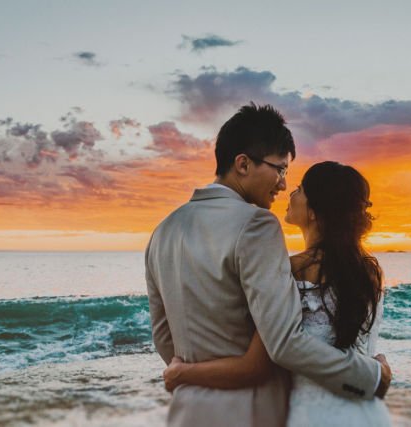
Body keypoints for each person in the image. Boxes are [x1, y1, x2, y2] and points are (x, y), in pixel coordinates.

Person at [145, 104, 391, 427]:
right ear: (243, 164)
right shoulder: (257, 225)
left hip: (187, 412)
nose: (283, 184)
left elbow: (164, 339)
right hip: (252, 413)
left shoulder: (162, 233)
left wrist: (187, 374)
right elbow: (282, 343)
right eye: (280, 169)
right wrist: (371, 376)